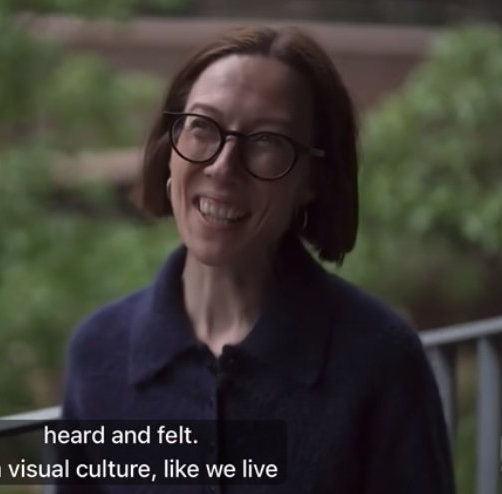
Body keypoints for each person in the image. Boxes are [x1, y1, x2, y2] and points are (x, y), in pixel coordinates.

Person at [58, 25, 456, 493]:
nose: (223, 166)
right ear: (171, 148)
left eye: (267, 141)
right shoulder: (99, 351)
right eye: (203, 127)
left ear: (312, 179)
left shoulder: (380, 360)